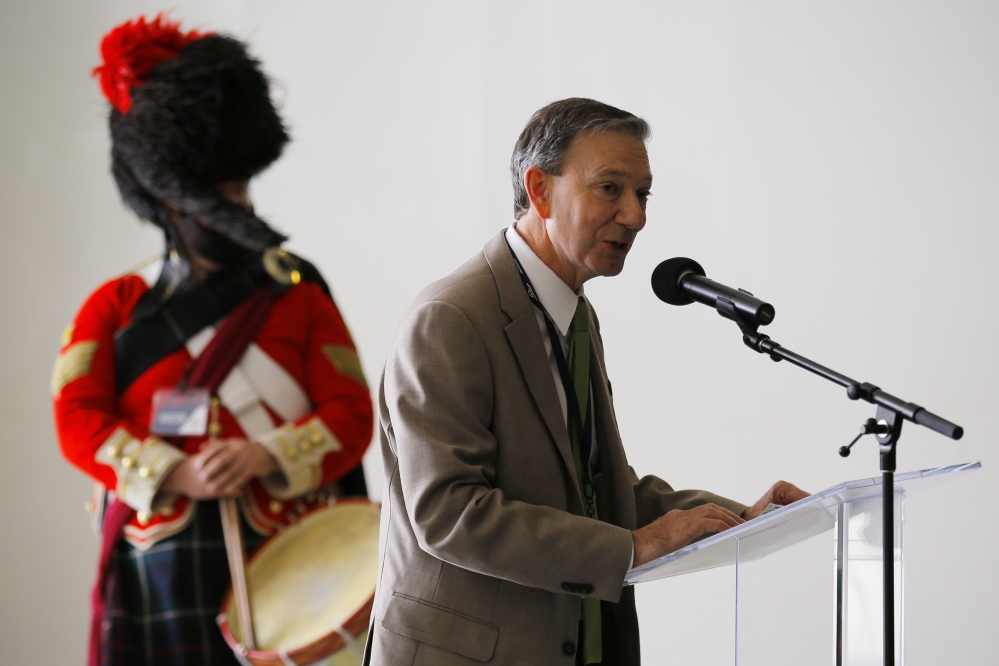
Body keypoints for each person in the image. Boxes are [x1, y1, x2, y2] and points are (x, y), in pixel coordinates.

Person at [365, 97, 806, 665]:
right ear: (540, 189)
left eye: (642, 194)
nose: (636, 216)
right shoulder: (451, 317)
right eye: (610, 188)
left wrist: (742, 519)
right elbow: (449, 512)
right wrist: (634, 546)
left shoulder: (575, 316)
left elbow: (593, 490)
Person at [51, 15, 373, 666]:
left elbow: (352, 414)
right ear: (170, 202)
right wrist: (174, 471)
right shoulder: (113, 306)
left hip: (287, 550)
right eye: (221, 192)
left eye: (240, 185)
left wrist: (264, 455)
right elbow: (76, 418)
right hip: (162, 552)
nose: (241, 202)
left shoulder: (298, 291)